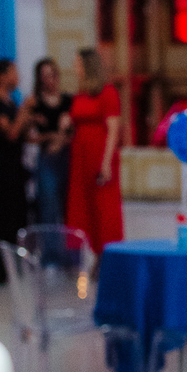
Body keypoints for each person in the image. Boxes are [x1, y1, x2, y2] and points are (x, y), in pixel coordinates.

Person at [66, 48, 123, 256]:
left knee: (103, 208)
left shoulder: (107, 92)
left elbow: (113, 129)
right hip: (80, 155)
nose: (74, 68)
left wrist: (106, 163)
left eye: (78, 64)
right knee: (83, 206)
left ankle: (106, 254)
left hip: (99, 155)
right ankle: (88, 251)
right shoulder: (81, 94)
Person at [0, 58, 32, 281]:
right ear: (2, 76)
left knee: (17, 216)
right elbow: (10, 133)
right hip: (1, 171)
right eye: (14, 72)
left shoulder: (9, 101)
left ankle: (14, 266)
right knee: (3, 217)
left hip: (14, 169)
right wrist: (24, 111)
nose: (18, 77)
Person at [28, 57, 73, 226]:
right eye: (45, 76)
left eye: (53, 74)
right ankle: (51, 250)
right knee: (49, 205)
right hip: (47, 157)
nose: (50, 80)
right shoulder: (34, 103)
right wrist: (50, 137)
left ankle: (69, 248)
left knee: (68, 204)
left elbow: (73, 131)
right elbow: (29, 137)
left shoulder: (68, 101)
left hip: (67, 155)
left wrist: (61, 137)